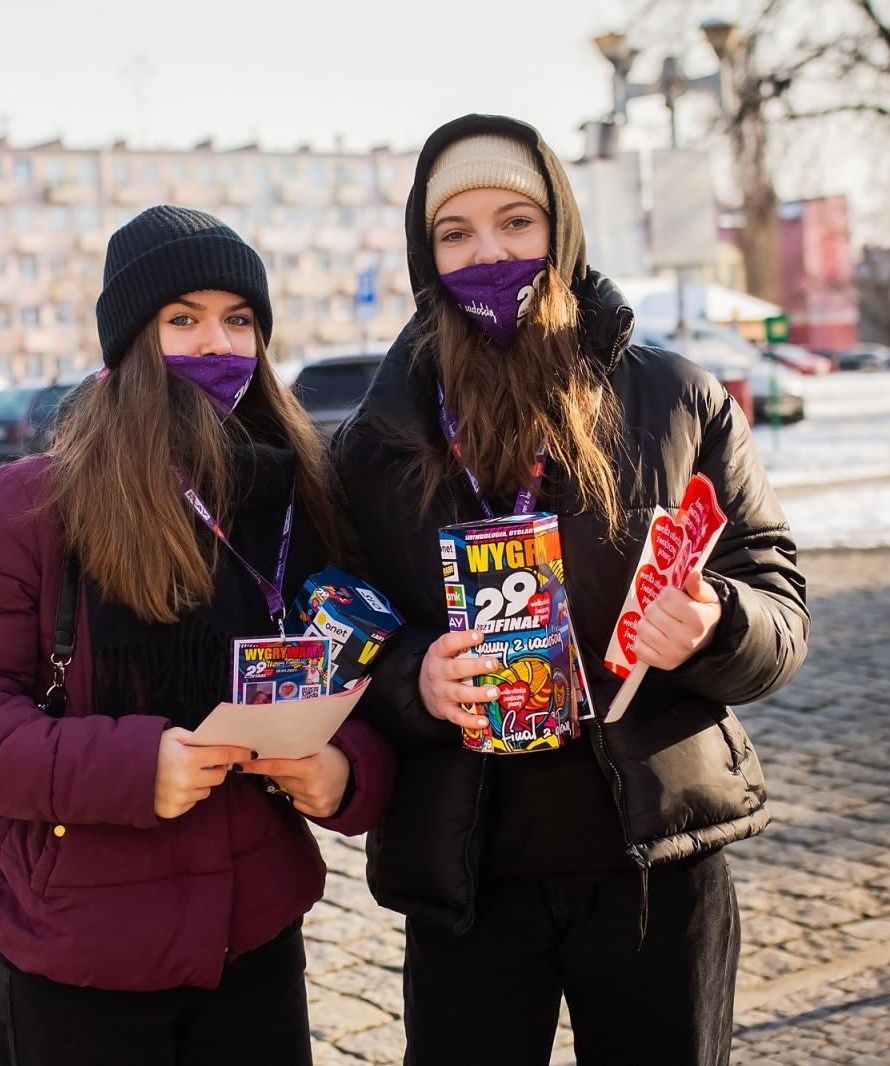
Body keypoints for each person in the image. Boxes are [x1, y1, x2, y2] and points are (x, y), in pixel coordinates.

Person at [333, 115, 809, 1065]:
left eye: (517, 221)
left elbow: (780, 606)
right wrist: (412, 679)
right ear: (426, 257)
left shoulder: (676, 400)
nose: (489, 252)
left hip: (656, 867)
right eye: (455, 233)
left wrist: (716, 624)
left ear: (563, 229)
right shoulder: (377, 439)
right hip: (467, 878)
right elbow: (339, 631)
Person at [0, 206, 395, 1066]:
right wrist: (132, 768)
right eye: (183, 319)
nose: (218, 343)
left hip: (255, 947)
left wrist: (345, 772)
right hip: (83, 958)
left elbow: (360, 675)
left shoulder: (298, 494)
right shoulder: (32, 505)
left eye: (239, 319)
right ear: (131, 341)